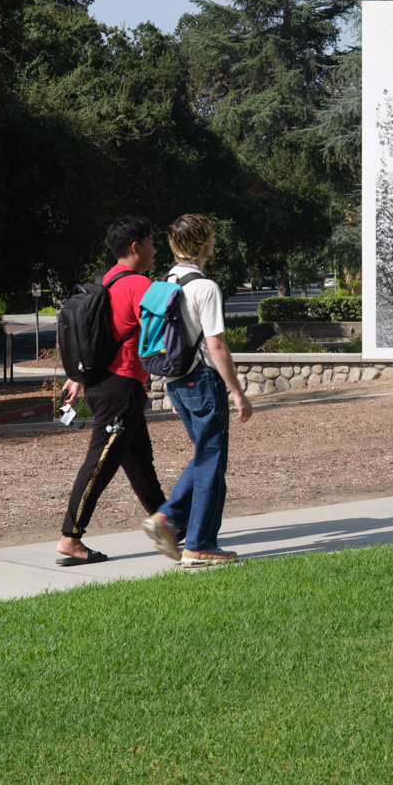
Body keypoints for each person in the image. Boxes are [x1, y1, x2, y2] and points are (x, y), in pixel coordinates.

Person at [139, 214, 253, 568]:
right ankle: (198, 543)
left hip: (177, 382)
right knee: (212, 462)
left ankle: (171, 520)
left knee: (206, 455)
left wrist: (173, 389)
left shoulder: (164, 282)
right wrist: (237, 391)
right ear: (204, 244)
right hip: (203, 381)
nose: (214, 244)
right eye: (213, 239)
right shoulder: (205, 287)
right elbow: (216, 346)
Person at [55, 217, 167, 566]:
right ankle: (70, 538)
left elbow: (91, 339)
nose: (154, 249)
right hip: (120, 389)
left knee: (140, 463)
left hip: (110, 386)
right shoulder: (139, 284)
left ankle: (169, 526)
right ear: (136, 247)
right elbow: (159, 340)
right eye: (151, 243)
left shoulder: (104, 281)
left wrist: (76, 376)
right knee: (100, 463)